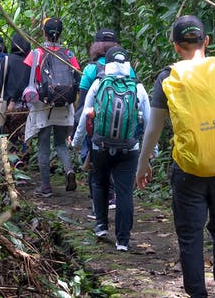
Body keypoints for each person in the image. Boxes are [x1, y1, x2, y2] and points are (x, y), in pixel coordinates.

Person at [136, 15, 215, 298]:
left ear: (175, 46)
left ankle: (197, 294)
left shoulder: (167, 77)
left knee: (191, 236)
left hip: (189, 171)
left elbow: (153, 130)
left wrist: (143, 164)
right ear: (206, 41)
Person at [73, 46, 149, 252]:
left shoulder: (98, 84)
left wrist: (77, 142)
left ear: (106, 65)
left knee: (100, 183)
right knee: (125, 192)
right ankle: (123, 240)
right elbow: (149, 122)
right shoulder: (138, 88)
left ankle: (101, 225)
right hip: (129, 148)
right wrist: (153, 150)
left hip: (100, 146)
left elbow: (84, 116)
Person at [22, 17, 81, 198]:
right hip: (64, 105)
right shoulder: (69, 54)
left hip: (43, 105)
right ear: (60, 33)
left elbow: (28, 79)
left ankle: (46, 186)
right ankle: (69, 169)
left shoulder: (37, 53)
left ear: (44, 32)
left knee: (44, 146)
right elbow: (77, 79)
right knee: (61, 144)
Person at [78, 27, 128, 219]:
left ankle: (98, 206)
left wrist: (77, 131)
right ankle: (114, 198)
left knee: (94, 164)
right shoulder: (127, 68)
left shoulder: (91, 69)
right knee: (118, 163)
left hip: (95, 127)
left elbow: (82, 104)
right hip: (122, 127)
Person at [0, 31, 32, 165]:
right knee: (24, 136)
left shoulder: (6, 60)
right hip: (27, 106)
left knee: (8, 137)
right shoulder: (30, 62)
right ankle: (22, 163)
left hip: (9, 106)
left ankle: (11, 165)